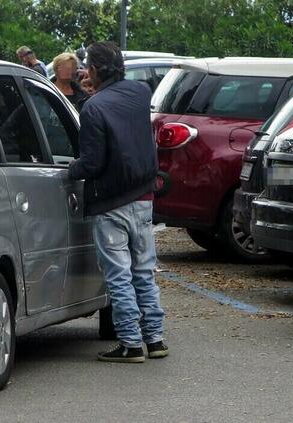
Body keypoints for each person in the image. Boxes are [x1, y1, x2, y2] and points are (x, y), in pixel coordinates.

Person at [68, 41, 168, 363]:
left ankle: (130, 343)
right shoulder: (140, 92)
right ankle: (155, 339)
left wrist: (71, 168)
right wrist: (90, 93)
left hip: (110, 202)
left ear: (93, 71)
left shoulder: (93, 108)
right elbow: (117, 113)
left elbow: (92, 163)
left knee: (118, 276)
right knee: (143, 271)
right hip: (143, 196)